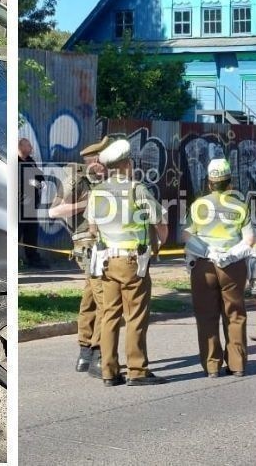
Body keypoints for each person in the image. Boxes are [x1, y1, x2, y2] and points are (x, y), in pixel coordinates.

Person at [86, 139, 168, 387]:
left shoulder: (96, 192)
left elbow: (92, 229)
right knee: (135, 316)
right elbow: (160, 222)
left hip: (106, 261)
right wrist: (159, 245)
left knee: (109, 315)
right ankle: (137, 370)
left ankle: (109, 372)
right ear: (127, 164)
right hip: (133, 261)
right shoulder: (136, 189)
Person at [184, 158, 255, 378]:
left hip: (204, 266)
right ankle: (237, 365)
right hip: (232, 266)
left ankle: (212, 366)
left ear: (209, 183)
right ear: (229, 183)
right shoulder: (240, 206)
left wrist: (209, 253)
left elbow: (186, 236)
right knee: (234, 314)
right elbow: (250, 239)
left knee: (206, 315)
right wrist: (230, 254)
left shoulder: (199, 206)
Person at [48, 136, 110, 376]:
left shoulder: (107, 179)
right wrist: (86, 204)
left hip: (106, 243)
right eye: (105, 160)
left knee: (91, 297)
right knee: (107, 299)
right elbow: (54, 211)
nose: (108, 165)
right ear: (95, 160)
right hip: (88, 244)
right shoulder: (76, 177)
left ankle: (84, 353)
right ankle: (98, 354)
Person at [18, 138, 49, 268]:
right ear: (21, 147)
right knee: (16, 233)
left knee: (31, 234)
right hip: (18, 207)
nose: (31, 148)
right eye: (29, 145)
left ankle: (33, 259)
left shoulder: (30, 161)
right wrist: (33, 182)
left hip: (31, 207)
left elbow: (39, 177)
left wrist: (40, 183)